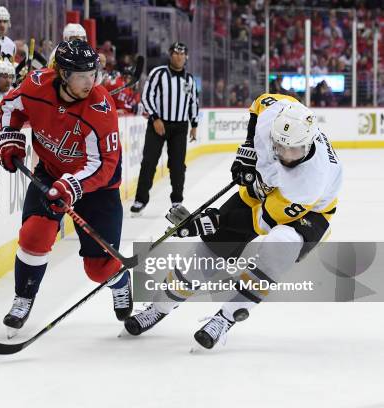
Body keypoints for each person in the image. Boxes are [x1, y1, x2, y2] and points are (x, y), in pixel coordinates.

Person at [123, 93, 343, 350]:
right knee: (209, 251)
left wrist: (212, 220)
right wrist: (249, 151)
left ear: (307, 145)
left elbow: (261, 221)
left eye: (292, 150)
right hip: (269, 189)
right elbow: (261, 102)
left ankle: (225, 318)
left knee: (278, 248)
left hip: (310, 213)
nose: (283, 154)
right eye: (278, 146)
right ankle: (159, 307)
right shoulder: (276, 117)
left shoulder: (309, 182)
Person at [0, 39, 131, 338]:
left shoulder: (100, 106)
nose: (89, 82)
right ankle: (23, 298)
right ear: (62, 74)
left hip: (98, 188)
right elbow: (10, 106)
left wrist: (71, 186)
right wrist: (10, 136)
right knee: (34, 234)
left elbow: (105, 163)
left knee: (97, 269)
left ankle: (119, 281)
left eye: (92, 73)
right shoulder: (35, 84)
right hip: (50, 173)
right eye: (81, 75)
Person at [130, 42, 199, 215]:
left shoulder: (189, 79)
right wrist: (155, 118)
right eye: (176, 53)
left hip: (180, 127)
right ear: (170, 55)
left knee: (177, 165)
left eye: (182, 54)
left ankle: (177, 200)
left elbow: (193, 102)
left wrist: (194, 124)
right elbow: (147, 96)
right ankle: (140, 199)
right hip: (158, 125)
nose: (179, 57)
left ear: (186, 57)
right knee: (149, 162)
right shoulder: (158, 73)